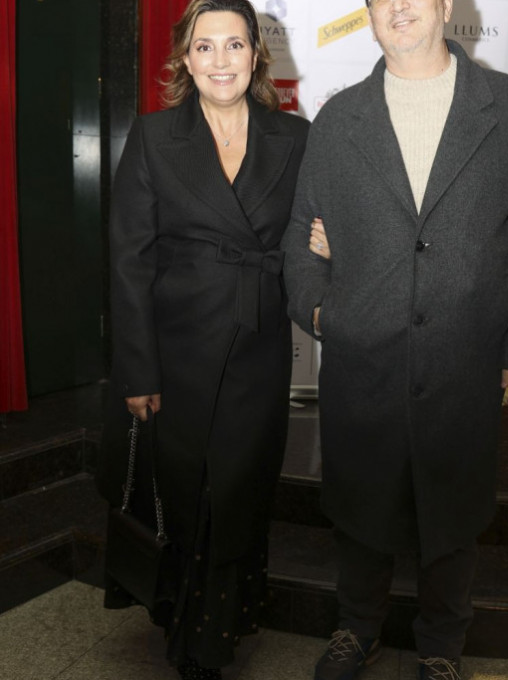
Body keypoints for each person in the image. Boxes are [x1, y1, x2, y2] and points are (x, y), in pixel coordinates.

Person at [282, 1, 508, 679]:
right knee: (360, 504)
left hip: (466, 357)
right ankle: (357, 628)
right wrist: (319, 312)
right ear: (370, 15)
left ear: (445, 6)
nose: (400, 6)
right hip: (362, 355)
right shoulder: (338, 118)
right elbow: (300, 233)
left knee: (454, 511)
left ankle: (442, 646)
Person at [96, 1, 309, 678]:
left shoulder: (295, 136)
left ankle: (225, 624)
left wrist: (327, 245)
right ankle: (192, 638)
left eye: (235, 45)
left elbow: (310, 233)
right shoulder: (155, 137)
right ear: (185, 59)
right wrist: (137, 371)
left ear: (256, 55)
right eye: (205, 46)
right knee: (190, 495)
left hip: (259, 347)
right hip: (176, 354)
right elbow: (129, 261)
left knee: (239, 492)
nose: (221, 60)